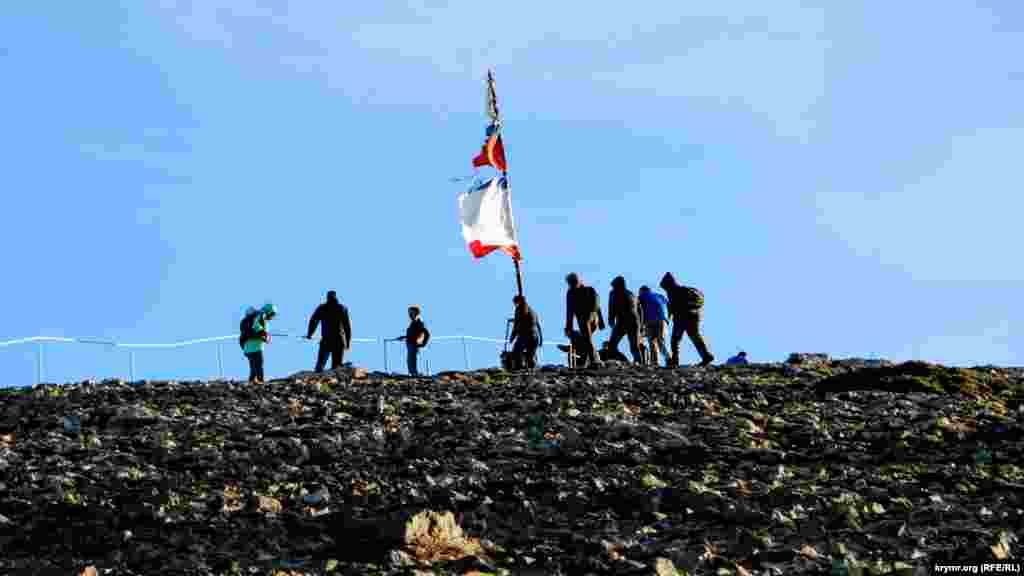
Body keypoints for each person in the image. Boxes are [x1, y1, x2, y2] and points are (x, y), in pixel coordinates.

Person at [660, 272, 714, 367]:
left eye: (665, 287)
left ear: (668, 284)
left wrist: (667, 319)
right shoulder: (685, 290)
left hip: (681, 318)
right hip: (695, 315)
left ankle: (675, 361)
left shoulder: (674, 292)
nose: (665, 289)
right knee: (695, 336)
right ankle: (706, 356)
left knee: (675, 340)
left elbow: (672, 308)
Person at [564, 273, 605, 368]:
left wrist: (600, 321)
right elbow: (569, 311)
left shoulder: (588, 290)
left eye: (574, 282)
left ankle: (594, 362)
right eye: (571, 283)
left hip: (589, 319)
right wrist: (568, 326)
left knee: (587, 340)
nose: (572, 285)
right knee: (586, 340)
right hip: (587, 320)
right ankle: (586, 361)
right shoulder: (572, 293)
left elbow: (597, 306)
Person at [305, 291, 352, 373]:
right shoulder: (342, 308)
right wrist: (347, 343)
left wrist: (310, 334)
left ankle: (319, 377)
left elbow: (313, 321)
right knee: (336, 367)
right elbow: (347, 327)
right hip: (339, 341)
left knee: (320, 366)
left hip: (326, 340)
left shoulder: (322, 308)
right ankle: (334, 381)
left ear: (327, 297)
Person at [607, 276, 642, 364]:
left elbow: (612, 306)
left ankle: (615, 360)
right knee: (634, 346)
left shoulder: (613, 293)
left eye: (614, 286)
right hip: (634, 322)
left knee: (612, 344)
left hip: (623, 322)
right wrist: (641, 324)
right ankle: (639, 362)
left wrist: (611, 319)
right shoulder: (632, 294)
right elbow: (640, 309)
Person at [242, 303, 277, 383]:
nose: (272, 317)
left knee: (254, 367)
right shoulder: (261, 315)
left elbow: (255, 333)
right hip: (255, 347)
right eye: (272, 314)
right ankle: (261, 381)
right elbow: (256, 326)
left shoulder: (257, 316)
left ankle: (252, 382)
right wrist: (263, 332)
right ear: (268, 311)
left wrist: (264, 337)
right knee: (259, 365)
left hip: (247, 348)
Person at [638, 285, 670, 366]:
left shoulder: (640, 297)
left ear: (641, 291)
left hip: (649, 321)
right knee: (661, 342)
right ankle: (668, 358)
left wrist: (640, 326)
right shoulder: (659, 296)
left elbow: (638, 311)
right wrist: (667, 318)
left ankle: (655, 362)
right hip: (662, 320)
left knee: (652, 342)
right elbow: (669, 305)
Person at [510, 295, 543, 370]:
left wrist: (513, 336)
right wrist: (541, 338)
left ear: (517, 302)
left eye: (515, 303)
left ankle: (519, 369)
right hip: (535, 336)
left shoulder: (519, 309)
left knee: (516, 352)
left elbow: (516, 324)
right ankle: (531, 371)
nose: (514, 305)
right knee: (530, 356)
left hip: (525, 336)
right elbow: (538, 325)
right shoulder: (532, 311)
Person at [400, 306, 431, 376]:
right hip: (410, 344)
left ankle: (415, 375)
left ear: (416, 313)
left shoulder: (419, 322)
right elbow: (412, 334)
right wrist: (404, 337)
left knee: (412, 361)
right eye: (409, 313)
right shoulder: (413, 323)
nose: (409, 315)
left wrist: (423, 343)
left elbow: (427, 334)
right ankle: (413, 374)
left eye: (411, 313)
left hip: (414, 345)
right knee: (410, 361)